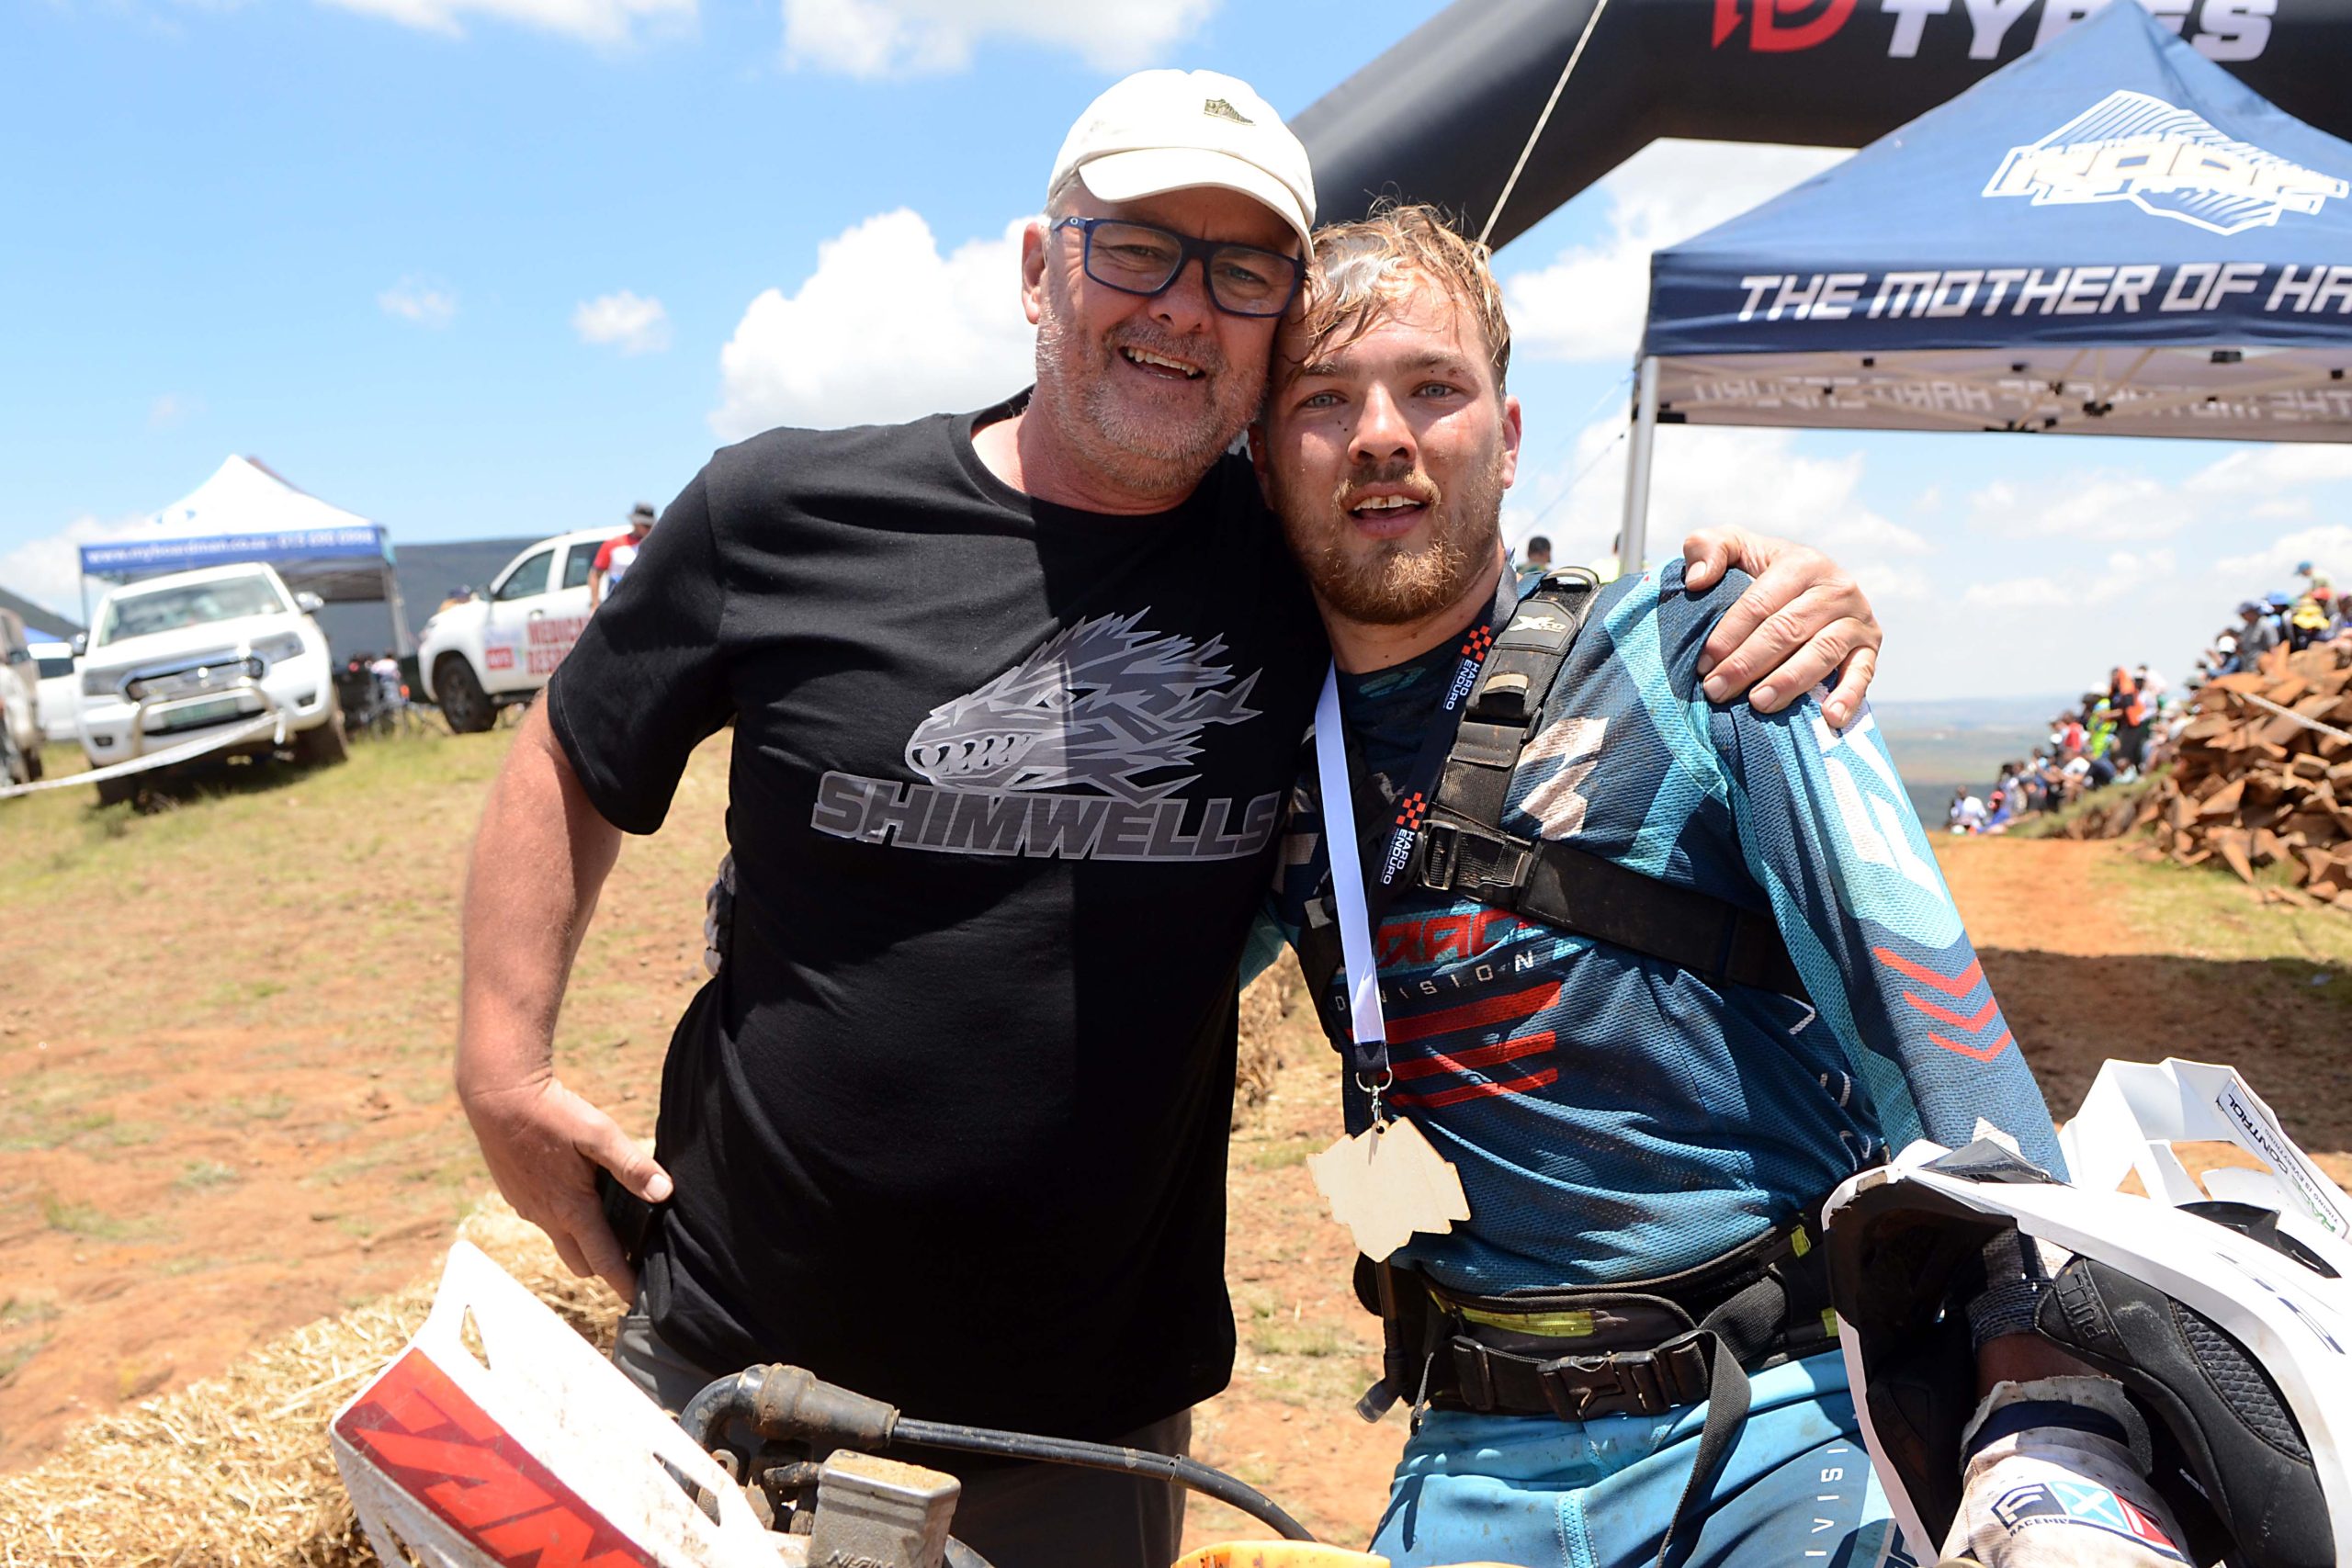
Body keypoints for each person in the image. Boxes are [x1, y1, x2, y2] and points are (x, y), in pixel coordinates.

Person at [456, 74, 1887, 1568]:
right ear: (1037, 266)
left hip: (1082, 1443)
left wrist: (1771, 593)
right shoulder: (782, 513)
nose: (1183, 306)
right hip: (731, 1374)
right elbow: (571, 748)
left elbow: (1502, 614)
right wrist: (503, 1060)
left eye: (1242, 270)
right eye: (1134, 246)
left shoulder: (1313, 577)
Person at [1251, 207, 2172, 1568]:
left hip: (1779, 1422)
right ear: (1264, 464)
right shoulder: (1252, 753)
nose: (1382, 432)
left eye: (1430, 386)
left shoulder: (1713, 655)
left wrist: (2048, 1412)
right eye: (1324, 401)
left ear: (1508, 439)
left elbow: (1937, 1031)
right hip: (1464, 1446)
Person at [587, 502, 655, 610]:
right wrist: (595, 604)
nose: (648, 529)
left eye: (650, 525)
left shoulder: (655, 546)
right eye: (645, 525)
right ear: (635, 523)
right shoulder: (613, 545)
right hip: (617, 605)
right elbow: (595, 574)